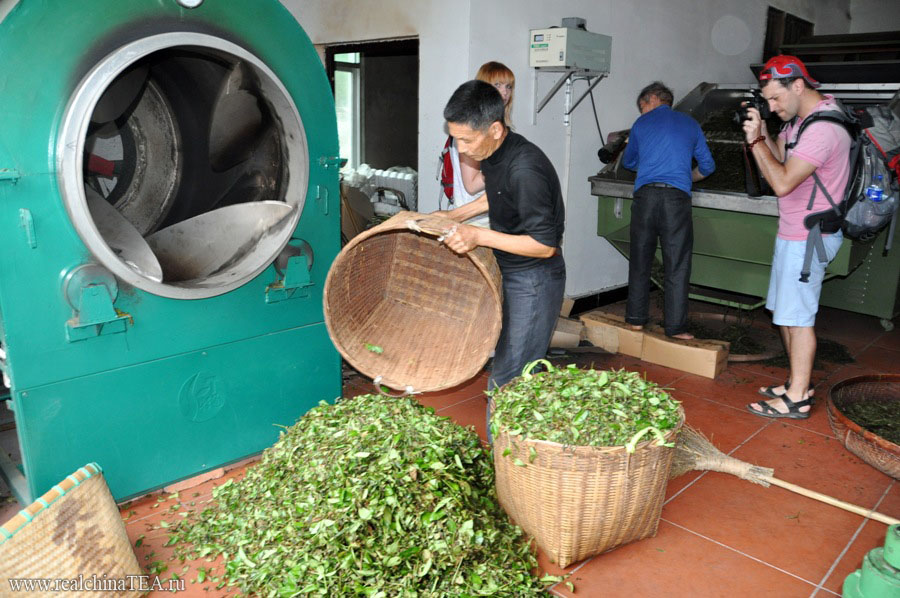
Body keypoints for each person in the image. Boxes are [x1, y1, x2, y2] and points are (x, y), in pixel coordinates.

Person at [438, 79, 565, 400]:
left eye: (466, 140)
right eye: (456, 140)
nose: (461, 150)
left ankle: (503, 450)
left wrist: (478, 235)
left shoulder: (525, 169)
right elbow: (497, 195)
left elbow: (544, 244)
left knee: (506, 380)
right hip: (512, 271)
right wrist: (454, 216)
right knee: (526, 370)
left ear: (495, 129)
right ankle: (530, 443)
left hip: (534, 277)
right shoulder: (496, 152)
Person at [742, 55, 850, 419]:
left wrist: (756, 140)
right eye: (767, 101)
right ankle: (795, 381)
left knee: (799, 317)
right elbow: (782, 160)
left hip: (809, 236)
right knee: (786, 313)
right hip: (796, 232)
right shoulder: (802, 120)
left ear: (798, 86)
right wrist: (763, 135)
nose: (772, 107)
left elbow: (782, 182)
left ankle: (798, 398)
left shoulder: (822, 129)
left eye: (776, 99)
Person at [622, 82, 715, 339]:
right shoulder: (691, 124)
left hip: (646, 198)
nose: (642, 113)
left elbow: (629, 162)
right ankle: (676, 328)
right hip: (677, 200)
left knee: (641, 259)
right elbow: (708, 166)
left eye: (643, 106)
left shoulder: (641, 125)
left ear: (652, 98)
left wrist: (646, 158)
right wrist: (687, 177)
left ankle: (636, 321)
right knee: (677, 264)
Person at [441, 62, 515, 219]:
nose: (505, 92)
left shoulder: (496, 129)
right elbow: (471, 185)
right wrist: (508, 166)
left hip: (491, 216)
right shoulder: (469, 128)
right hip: (473, 219)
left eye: (508, 86)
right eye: (498, 85)